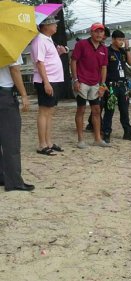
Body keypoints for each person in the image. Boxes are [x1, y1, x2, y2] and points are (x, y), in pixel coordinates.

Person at [70, 23, 111, 148]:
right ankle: (81, 140)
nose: (99, 34)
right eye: (96, 31)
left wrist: (102, 85)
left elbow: (104, 68)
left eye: (101, 31)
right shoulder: (81, 44)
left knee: (96, 110)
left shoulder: (104, 49)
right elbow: (73, 61)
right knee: (81, 109)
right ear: (91, 32)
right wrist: (75, 79)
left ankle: (97, 138)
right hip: (82, 81)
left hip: (95, 83)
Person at [31, 16, 65, 156]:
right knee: (44, 112)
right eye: (53, 24)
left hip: (53, 79)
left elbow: (48, 58)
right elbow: (40, 62)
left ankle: (49, 142)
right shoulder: (39, 40)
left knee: (50, 112)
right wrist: (46, 82)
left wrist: (59, 52)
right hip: (46, 80)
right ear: (45, 26)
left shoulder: (48, 39)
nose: (56, 26)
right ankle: (42, 144)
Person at [0, 56, 35, 192]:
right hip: (5, 94)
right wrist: (24, 94)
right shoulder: (10, 46)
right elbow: (14, 69)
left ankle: (2, 175)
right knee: (11, 139)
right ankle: (14, 180)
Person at [102, 30, 131, 143]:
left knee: (124, 110)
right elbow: (103, 68)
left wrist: (127, 49)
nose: (121, 42)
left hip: (123, 85)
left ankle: (127, 132)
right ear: (113, 40)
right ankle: (106, 132)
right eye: (119, 40)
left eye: (123, 40)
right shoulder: (107, 51)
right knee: (109, 110)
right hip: (112, 85)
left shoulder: (123, 51)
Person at [86, 26, 111, 132]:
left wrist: (103, 83)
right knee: (97, 105)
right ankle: (93, 124)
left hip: (103, 80)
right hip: (93, 80)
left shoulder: (104, 48)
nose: (102, 37)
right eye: (99, 33)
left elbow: (105, 66)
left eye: (103, 35)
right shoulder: (87, 45)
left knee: (100, 104)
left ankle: (94, 124)